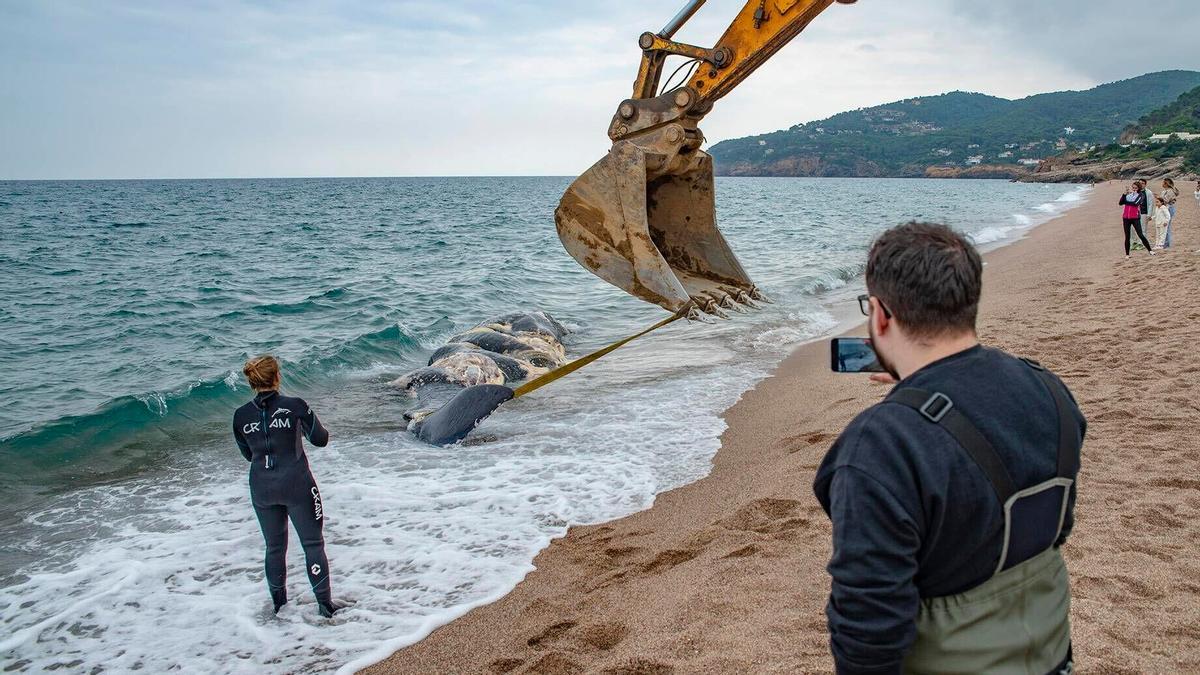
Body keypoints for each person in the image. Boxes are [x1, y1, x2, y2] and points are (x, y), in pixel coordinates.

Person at [814, 222, 1085, 674]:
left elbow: (869, 623)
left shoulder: (883, 442)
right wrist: (923, 388)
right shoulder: (1049, 390)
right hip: (1048, 653)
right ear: (967, 301)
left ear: (880, 314)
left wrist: (920, 402)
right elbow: (1055, 527)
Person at [233, 355, 346, 618]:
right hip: (297, 483)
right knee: (313, 544)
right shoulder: (295, 406)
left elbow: (249, 455)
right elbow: (321, 439)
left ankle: (279, 607)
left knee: (274, 547)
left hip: (262, 487)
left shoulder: (240, 416)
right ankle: (325, 605)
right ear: (277, 377)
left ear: (252, 382)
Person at [1119, 184, 1155, 258]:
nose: (1134, 188)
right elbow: (1120, 203)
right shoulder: (1128, 195)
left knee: (1140, 234)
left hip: (1135, 218)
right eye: (1133, 187)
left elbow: (1135, 203)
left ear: (1138, 188)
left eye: (1136, 187)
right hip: (1126, 218)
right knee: (1127, 236)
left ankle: (1150, 250)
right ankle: (1127, 254)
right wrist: (1124, 194)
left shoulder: (1141, 195)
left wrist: (1126, 201)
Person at [1159, 178, 1179, 248]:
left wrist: (1158, 198)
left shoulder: (1170, 191)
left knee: (1166, 226)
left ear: (1166, 183)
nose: (1162, 184)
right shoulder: (1165, 191)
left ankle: (1167, 244)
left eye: (1163, 182)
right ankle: (1165, 243)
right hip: (1166, 208)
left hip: (1169, 208)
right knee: (1165, 226)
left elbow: (1166, 200)